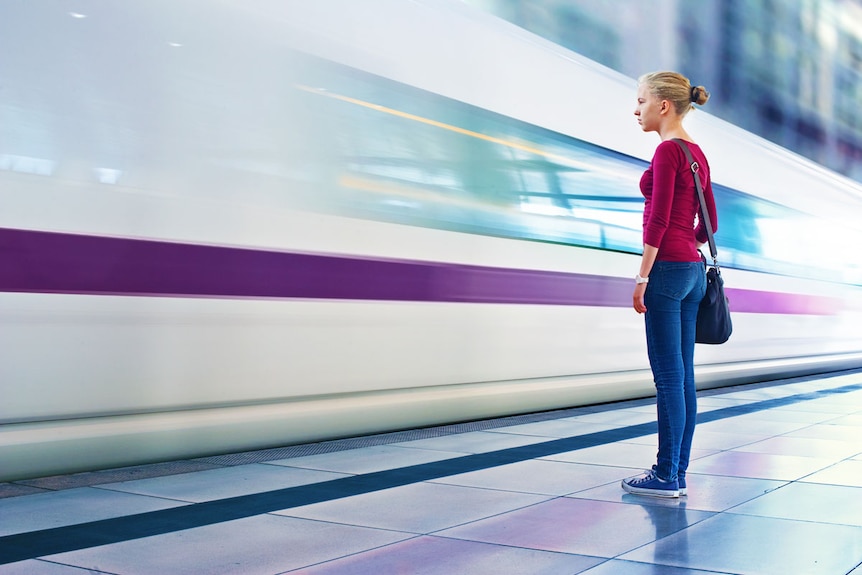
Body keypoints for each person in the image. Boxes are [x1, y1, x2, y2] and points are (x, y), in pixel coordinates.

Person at [621, 71, 717, 498]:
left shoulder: (666, 153)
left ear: (664, 106)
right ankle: (676, 473)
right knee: (684, 379)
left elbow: (658, 220)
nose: (635, 109)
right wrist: (688, 245)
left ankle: (665, 475)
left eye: (640, 101)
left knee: (668, 379)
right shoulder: (697, 154)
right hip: (693, 272)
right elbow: (710, 224)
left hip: (666, 273)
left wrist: (643, 276)